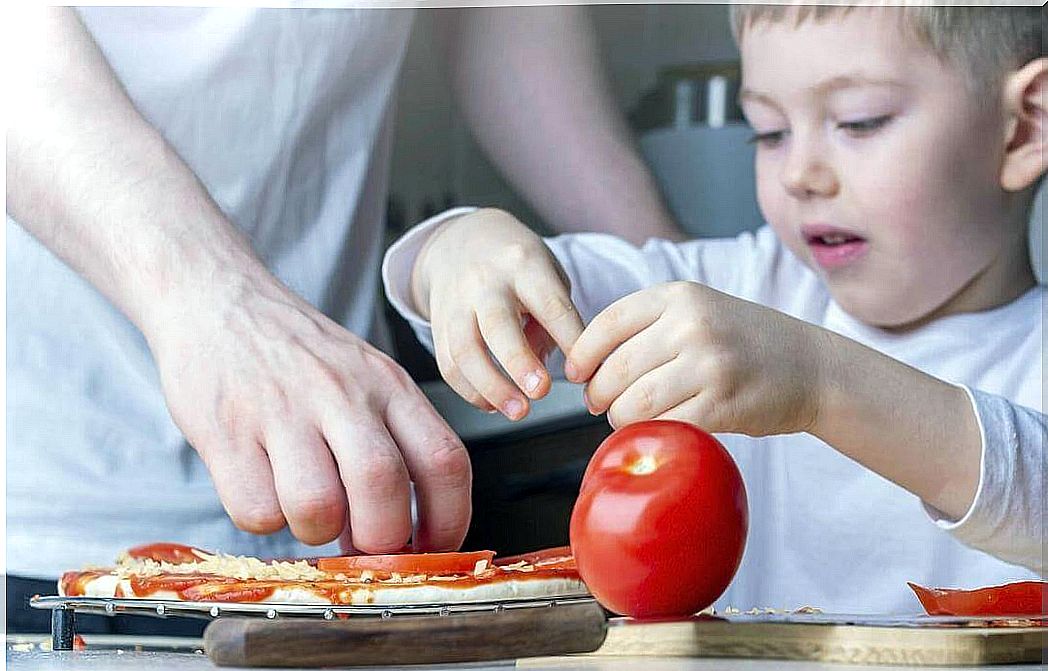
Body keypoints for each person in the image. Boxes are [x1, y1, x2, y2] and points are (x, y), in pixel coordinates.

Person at [5, 6, 684, 632]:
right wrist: (224, 307)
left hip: (351, 511)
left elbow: (496, 21)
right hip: (47, 501)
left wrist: (688, 291)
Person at [383, 5, 1046, 613]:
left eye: (859, 121)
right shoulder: (736, 287)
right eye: (769, 132)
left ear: (1023, 129)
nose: (800, 174)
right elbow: (533, 288)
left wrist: (820, 381)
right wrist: (459, 248)